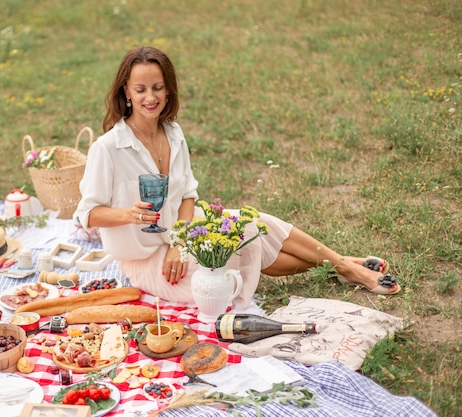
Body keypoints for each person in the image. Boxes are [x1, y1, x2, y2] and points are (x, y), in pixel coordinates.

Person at [73, 46, 400, 309]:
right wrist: (129, 214)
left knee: (253, 225)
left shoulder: (172, 133)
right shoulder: (109, 148)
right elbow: (87, 213)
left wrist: (180, 242)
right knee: (222, 279)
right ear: (126, 92)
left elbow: (188, 194)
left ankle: (345, 266)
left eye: (158, 88)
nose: (150, 97)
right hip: (146, 259)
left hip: (184, 233)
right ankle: (337, 265)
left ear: (168, 91)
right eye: (141, 89)